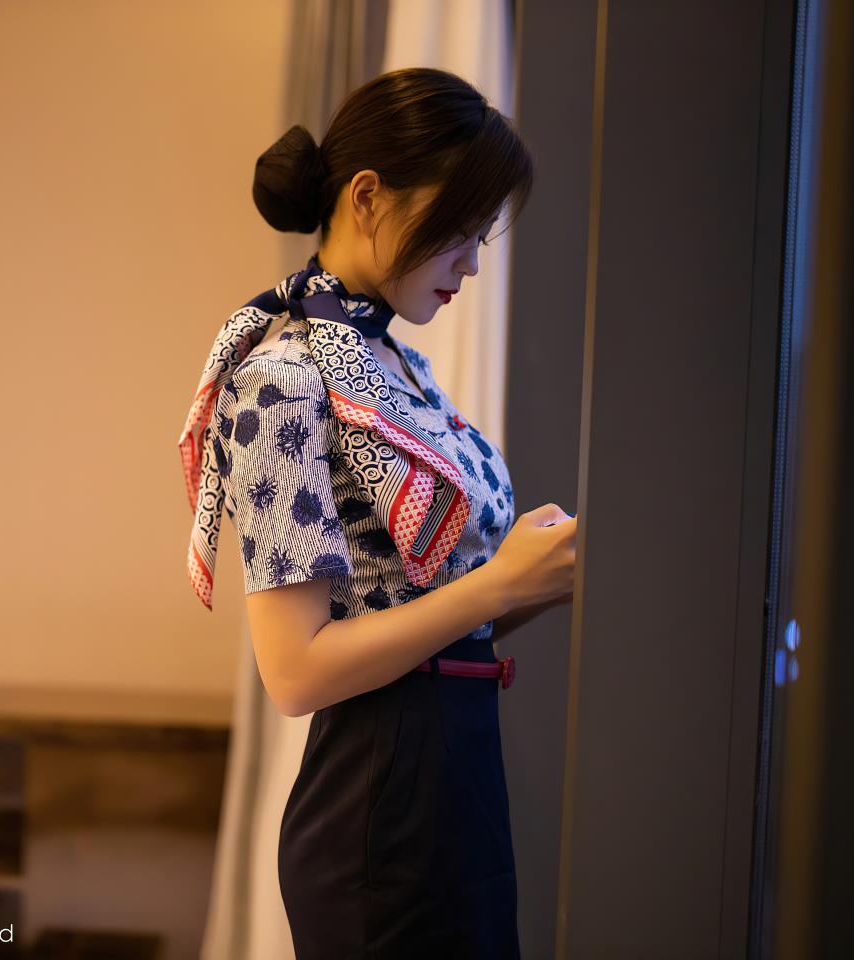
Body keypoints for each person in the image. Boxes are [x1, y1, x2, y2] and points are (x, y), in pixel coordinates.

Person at [177, 68, 577, 958]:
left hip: (461, 787)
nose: (472, 262)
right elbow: (296, 673)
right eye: (461, 229)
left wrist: (525, 585)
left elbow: (407, 609)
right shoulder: (282, 381)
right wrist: (495, 589)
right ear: (367, 197)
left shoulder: (397, 366)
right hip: (378, 807)